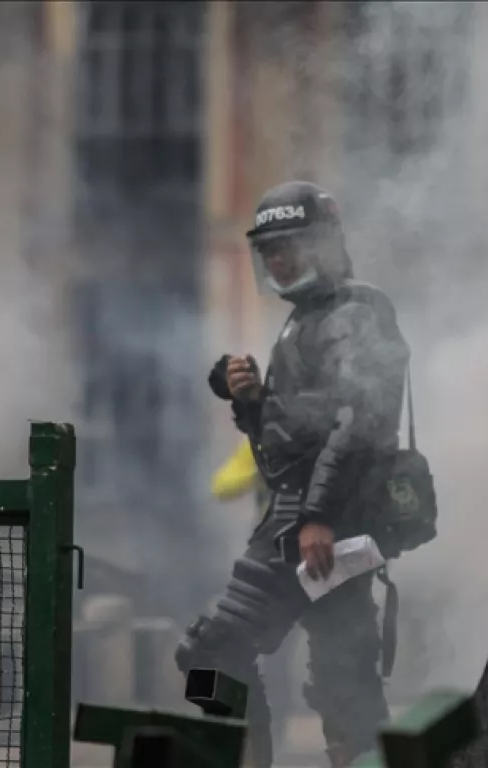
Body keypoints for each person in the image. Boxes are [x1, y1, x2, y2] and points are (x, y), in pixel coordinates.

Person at [176, 180, 410, 767]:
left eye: (290, 245)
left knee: (216, 654)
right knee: (342, 680)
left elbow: (359, 423)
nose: (278, 259)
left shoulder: (355, 313)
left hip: (322, 524)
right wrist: (250, 401)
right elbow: (292, 443)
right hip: (307, 521)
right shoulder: (309, 318)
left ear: (325, 242)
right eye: (269, 249)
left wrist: (318, 516)